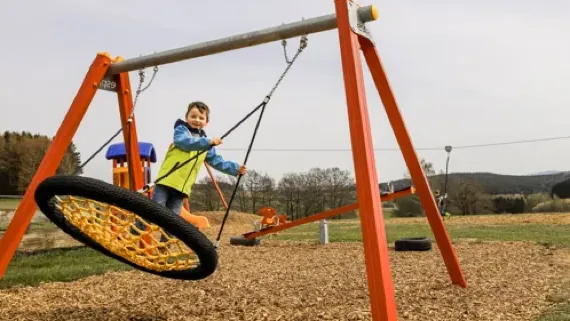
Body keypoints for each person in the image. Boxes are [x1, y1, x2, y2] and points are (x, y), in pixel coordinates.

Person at [134, 101, 247, 241]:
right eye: (193, 116)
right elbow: (185, 143)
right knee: (155, 210)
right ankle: (133, 232)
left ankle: (164, 247)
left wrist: (235, 169)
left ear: (206, 122)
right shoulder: (181, 131)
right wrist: (208, 142)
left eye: (201, 118)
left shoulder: (206, 143)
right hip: (167, 181)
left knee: (172, 221)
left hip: (182, 188)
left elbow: (217, 161)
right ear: (187, 117)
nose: (197, 120)